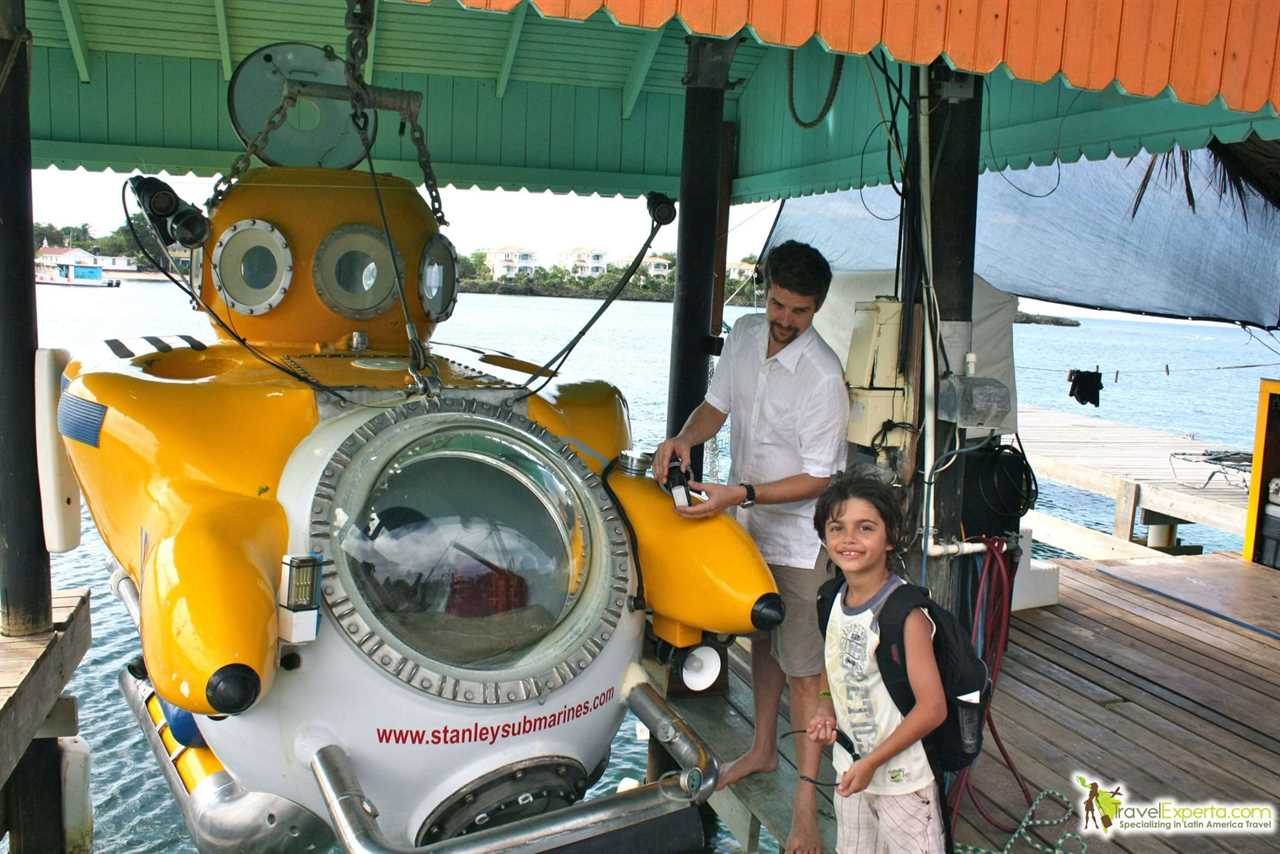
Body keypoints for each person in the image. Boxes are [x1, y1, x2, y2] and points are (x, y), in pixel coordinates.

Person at [653, 240, 849, 853]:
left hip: (798, 538)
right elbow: (716, 408)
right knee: (762, 642)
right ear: (766, 290)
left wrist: (741, 492)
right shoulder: (742, 335)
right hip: (750, 529)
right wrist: (681, 439)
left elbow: (822, 477)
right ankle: (765, 750)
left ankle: (804, 810)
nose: (786, 321)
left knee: (805, 670)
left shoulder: (823, 376)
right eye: (780, 305)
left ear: (817, 309)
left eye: (801, 312)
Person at [805, 473, 948, 854]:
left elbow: (933, 709)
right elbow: (831, 666)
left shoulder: (904, 614)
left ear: (890, 539)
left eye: (865, 528)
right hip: (850, 774)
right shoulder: (831, 598)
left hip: (904, 784)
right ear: (823, 537)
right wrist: (824, 707)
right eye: (837, 528)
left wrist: (872, 762)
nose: (849, 539)